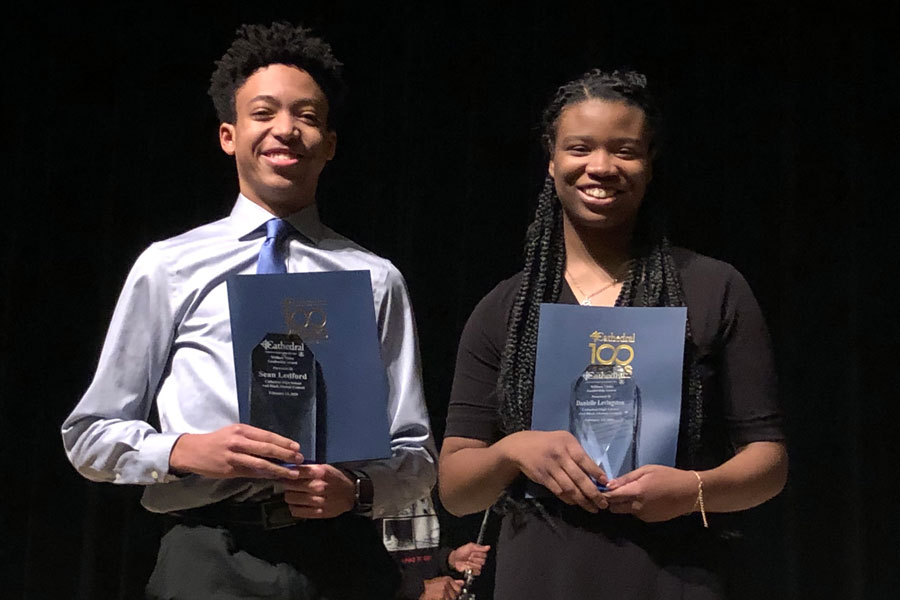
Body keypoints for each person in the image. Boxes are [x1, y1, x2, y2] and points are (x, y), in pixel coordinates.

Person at [61, 22, 435, 600]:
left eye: (307, 116)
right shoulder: (168, 266)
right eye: (264, 113)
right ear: (229, 136)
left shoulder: (374, 279)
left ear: (329, 143)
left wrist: (357, 490)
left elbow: (415, 452)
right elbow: (89, 436)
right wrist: (185, 451)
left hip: (341, 561)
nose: (285, 129)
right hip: (206, 555)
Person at [439, 69, 787, 599]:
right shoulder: (506, 308)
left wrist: (693, 489)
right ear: (551, 160)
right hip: (539, 578)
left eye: (624, 150)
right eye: (580, 148)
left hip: (673, 576)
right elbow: (457, 490)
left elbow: (769, 462)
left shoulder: (713, 288)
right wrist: (514, 451)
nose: (600, 166)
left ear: (649, 164)